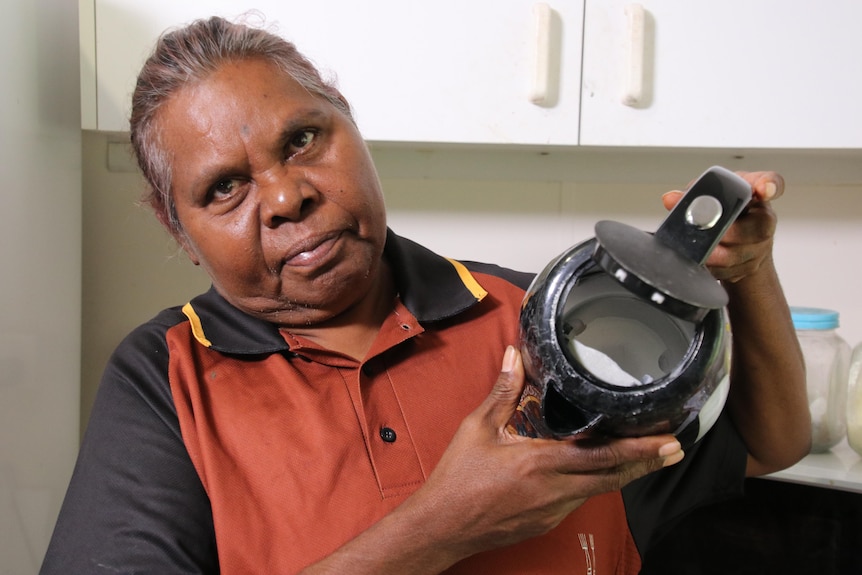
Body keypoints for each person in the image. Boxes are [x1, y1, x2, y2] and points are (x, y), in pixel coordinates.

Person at [41, 16, 810, 575]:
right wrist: (439, 527)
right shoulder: (166, 378)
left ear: (350, 122)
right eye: (225, 187)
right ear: (181, 231)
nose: (283, 198)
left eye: (303, 138)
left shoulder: (532, 313)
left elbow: (767, 444)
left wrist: (747, 275)